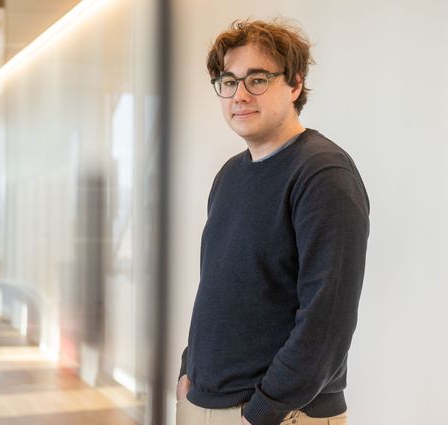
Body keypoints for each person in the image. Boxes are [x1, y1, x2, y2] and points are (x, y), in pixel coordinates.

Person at [176, 19, 370, 425]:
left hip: (279, 414)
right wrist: (188, 369)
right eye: (228, 81)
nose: (240, 95)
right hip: (205, 402)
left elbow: (328, 318)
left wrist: (265, 409)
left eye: (257, 79)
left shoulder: (323, 174)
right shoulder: (230, 175)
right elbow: (216, 287)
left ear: (295, 85)